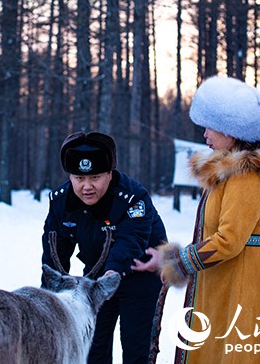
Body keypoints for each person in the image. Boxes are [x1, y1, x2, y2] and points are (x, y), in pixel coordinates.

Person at [133, 75, 260, 364]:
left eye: (211, 127)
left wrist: (176, 263)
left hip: (241, 281)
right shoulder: (228, 172)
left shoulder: (248, 176)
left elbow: (229, 241)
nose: (205, 134)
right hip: (220, 278)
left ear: (232, 130)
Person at [41, 131, 168, 364]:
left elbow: (131, 241)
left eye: (95, 177)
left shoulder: (133, 198)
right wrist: (49, 293)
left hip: (140, 274)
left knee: (135, 349)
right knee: (93, 349)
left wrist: (111, 273)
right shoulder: (61, 201)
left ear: (110, 174)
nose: (87, 186)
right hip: (96, 277)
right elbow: (54, 248)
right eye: (79, 178)